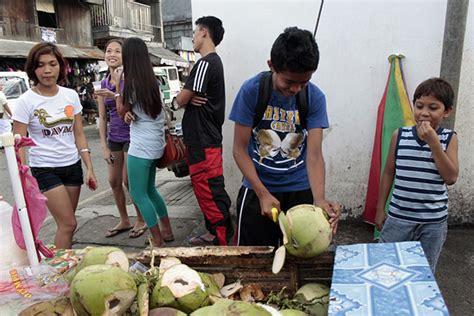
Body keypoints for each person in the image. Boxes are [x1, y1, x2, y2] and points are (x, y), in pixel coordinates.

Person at [229, 27, 340, 247]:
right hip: (257, 188)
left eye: (304, 82)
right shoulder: (252, 90)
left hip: (300, 192)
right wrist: (262, 193)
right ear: (272, 66)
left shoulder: (315, 97)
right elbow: (239, 149)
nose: (296, 89)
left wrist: (319, 199)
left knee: (299, 256)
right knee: (253, 257)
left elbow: (315, 155)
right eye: (289, 82)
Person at [12, 42, 97, 249]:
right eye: (40, 65)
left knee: (65, 225)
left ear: (61, 66)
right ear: (33, 69)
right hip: (45, 169)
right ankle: (58, 273)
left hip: (72, 167)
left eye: (52, 64)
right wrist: (24, 178)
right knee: (69, 223)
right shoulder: (25, 101)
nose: (47, 70)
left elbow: (78, 133)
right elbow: (19, 144)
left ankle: (63, 266)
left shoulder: (71, 96)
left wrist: (89, 168)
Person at [375, 78, 458, 272]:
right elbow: (388, 172)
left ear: (446, 111)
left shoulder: (449, 139)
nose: (424, 113)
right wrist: (380, 209)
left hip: (432, 224)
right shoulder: (400, 136)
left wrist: (434, 143)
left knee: (422, 272)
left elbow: (451, 177)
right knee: (385, 266)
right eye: (419, 106)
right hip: (398, 218)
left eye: (433, 107)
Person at [176, 16, 233, 246]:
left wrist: (184, 98)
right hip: (205, 139)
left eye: (194, 32)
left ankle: (223, 241)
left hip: (203, 140)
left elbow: (180, 99)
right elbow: (189, 97)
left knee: (208, 189)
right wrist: (188, 98)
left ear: (203, 32)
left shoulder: (205, 63)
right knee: (209, 187)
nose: (192, 37)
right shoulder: (211, 63)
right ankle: (213, 233)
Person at [114, 37, 174, 247]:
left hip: (140, 147)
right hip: (156, 144)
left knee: (139, 195)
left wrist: (116, 85)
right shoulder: (153, 81)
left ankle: (157, 240)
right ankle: (167, 230)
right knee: (150, 190)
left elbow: (121, 111)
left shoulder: (130, 84)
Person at [94, 39, 147, 239]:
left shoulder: (130, 80)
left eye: (118, 51)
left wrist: (116, 90)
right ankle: (124, 220)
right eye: (109, 51)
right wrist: (103, 146)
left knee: (128, 181)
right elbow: (103, 117)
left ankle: (141, 219)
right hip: (113, 137)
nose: (112, 54)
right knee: (113, 180)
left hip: (132, 136)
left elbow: (132, 109)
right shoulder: (102, 83)